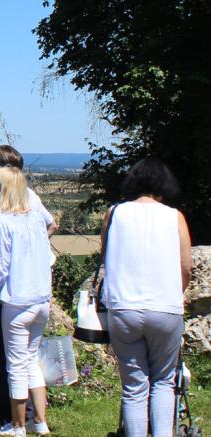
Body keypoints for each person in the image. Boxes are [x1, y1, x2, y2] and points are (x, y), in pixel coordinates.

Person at [101, 157, 193, 437]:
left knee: (134, 387)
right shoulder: (174, 216)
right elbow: (186, 266)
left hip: (123, 307)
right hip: (165, 307)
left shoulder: (114, 213)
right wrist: (175, 293)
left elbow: (106, 257)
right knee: (164, 382)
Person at [0, 145, 58, 435]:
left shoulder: (3, 220)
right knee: (31, 360)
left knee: (14, 365)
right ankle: (40, 422)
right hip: (40, 296)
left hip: (16, 299)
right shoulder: (33, 215)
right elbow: (51, 226)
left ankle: (18, 424)